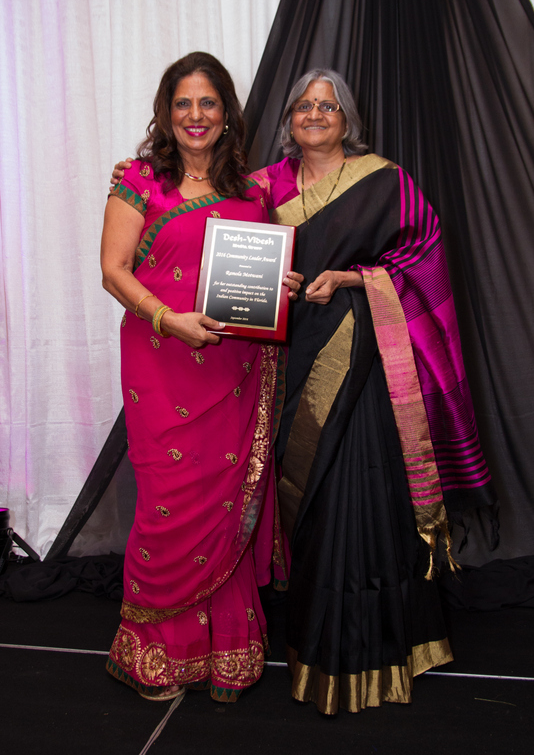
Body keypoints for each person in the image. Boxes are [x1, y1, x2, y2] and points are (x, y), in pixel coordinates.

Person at [111, 68, 494, 715]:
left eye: (328, 106)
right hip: (280, 371)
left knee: (359, 504)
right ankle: (294, 638)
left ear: (348, 118)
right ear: (288, 118)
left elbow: (423, 257)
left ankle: (368, 646)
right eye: (304, 106)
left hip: (361, 370)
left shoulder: (386, 181)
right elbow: (223, 249)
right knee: (297, 512)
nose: (315, 115)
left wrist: (351, 278)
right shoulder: (261, 186)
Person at [100, 52, 301, 703]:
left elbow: (258, 275)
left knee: (226, 503)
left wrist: (281, 286)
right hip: (161, 365)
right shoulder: (139, 181)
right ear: (166, 112)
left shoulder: (255, 191)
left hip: (233, 371)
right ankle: (157, 653)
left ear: (226, 113)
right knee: (168, 506)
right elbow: (113, 271)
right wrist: (169, 319)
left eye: (207, 102)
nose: (195, 115)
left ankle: (225, 653)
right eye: (182, 103)